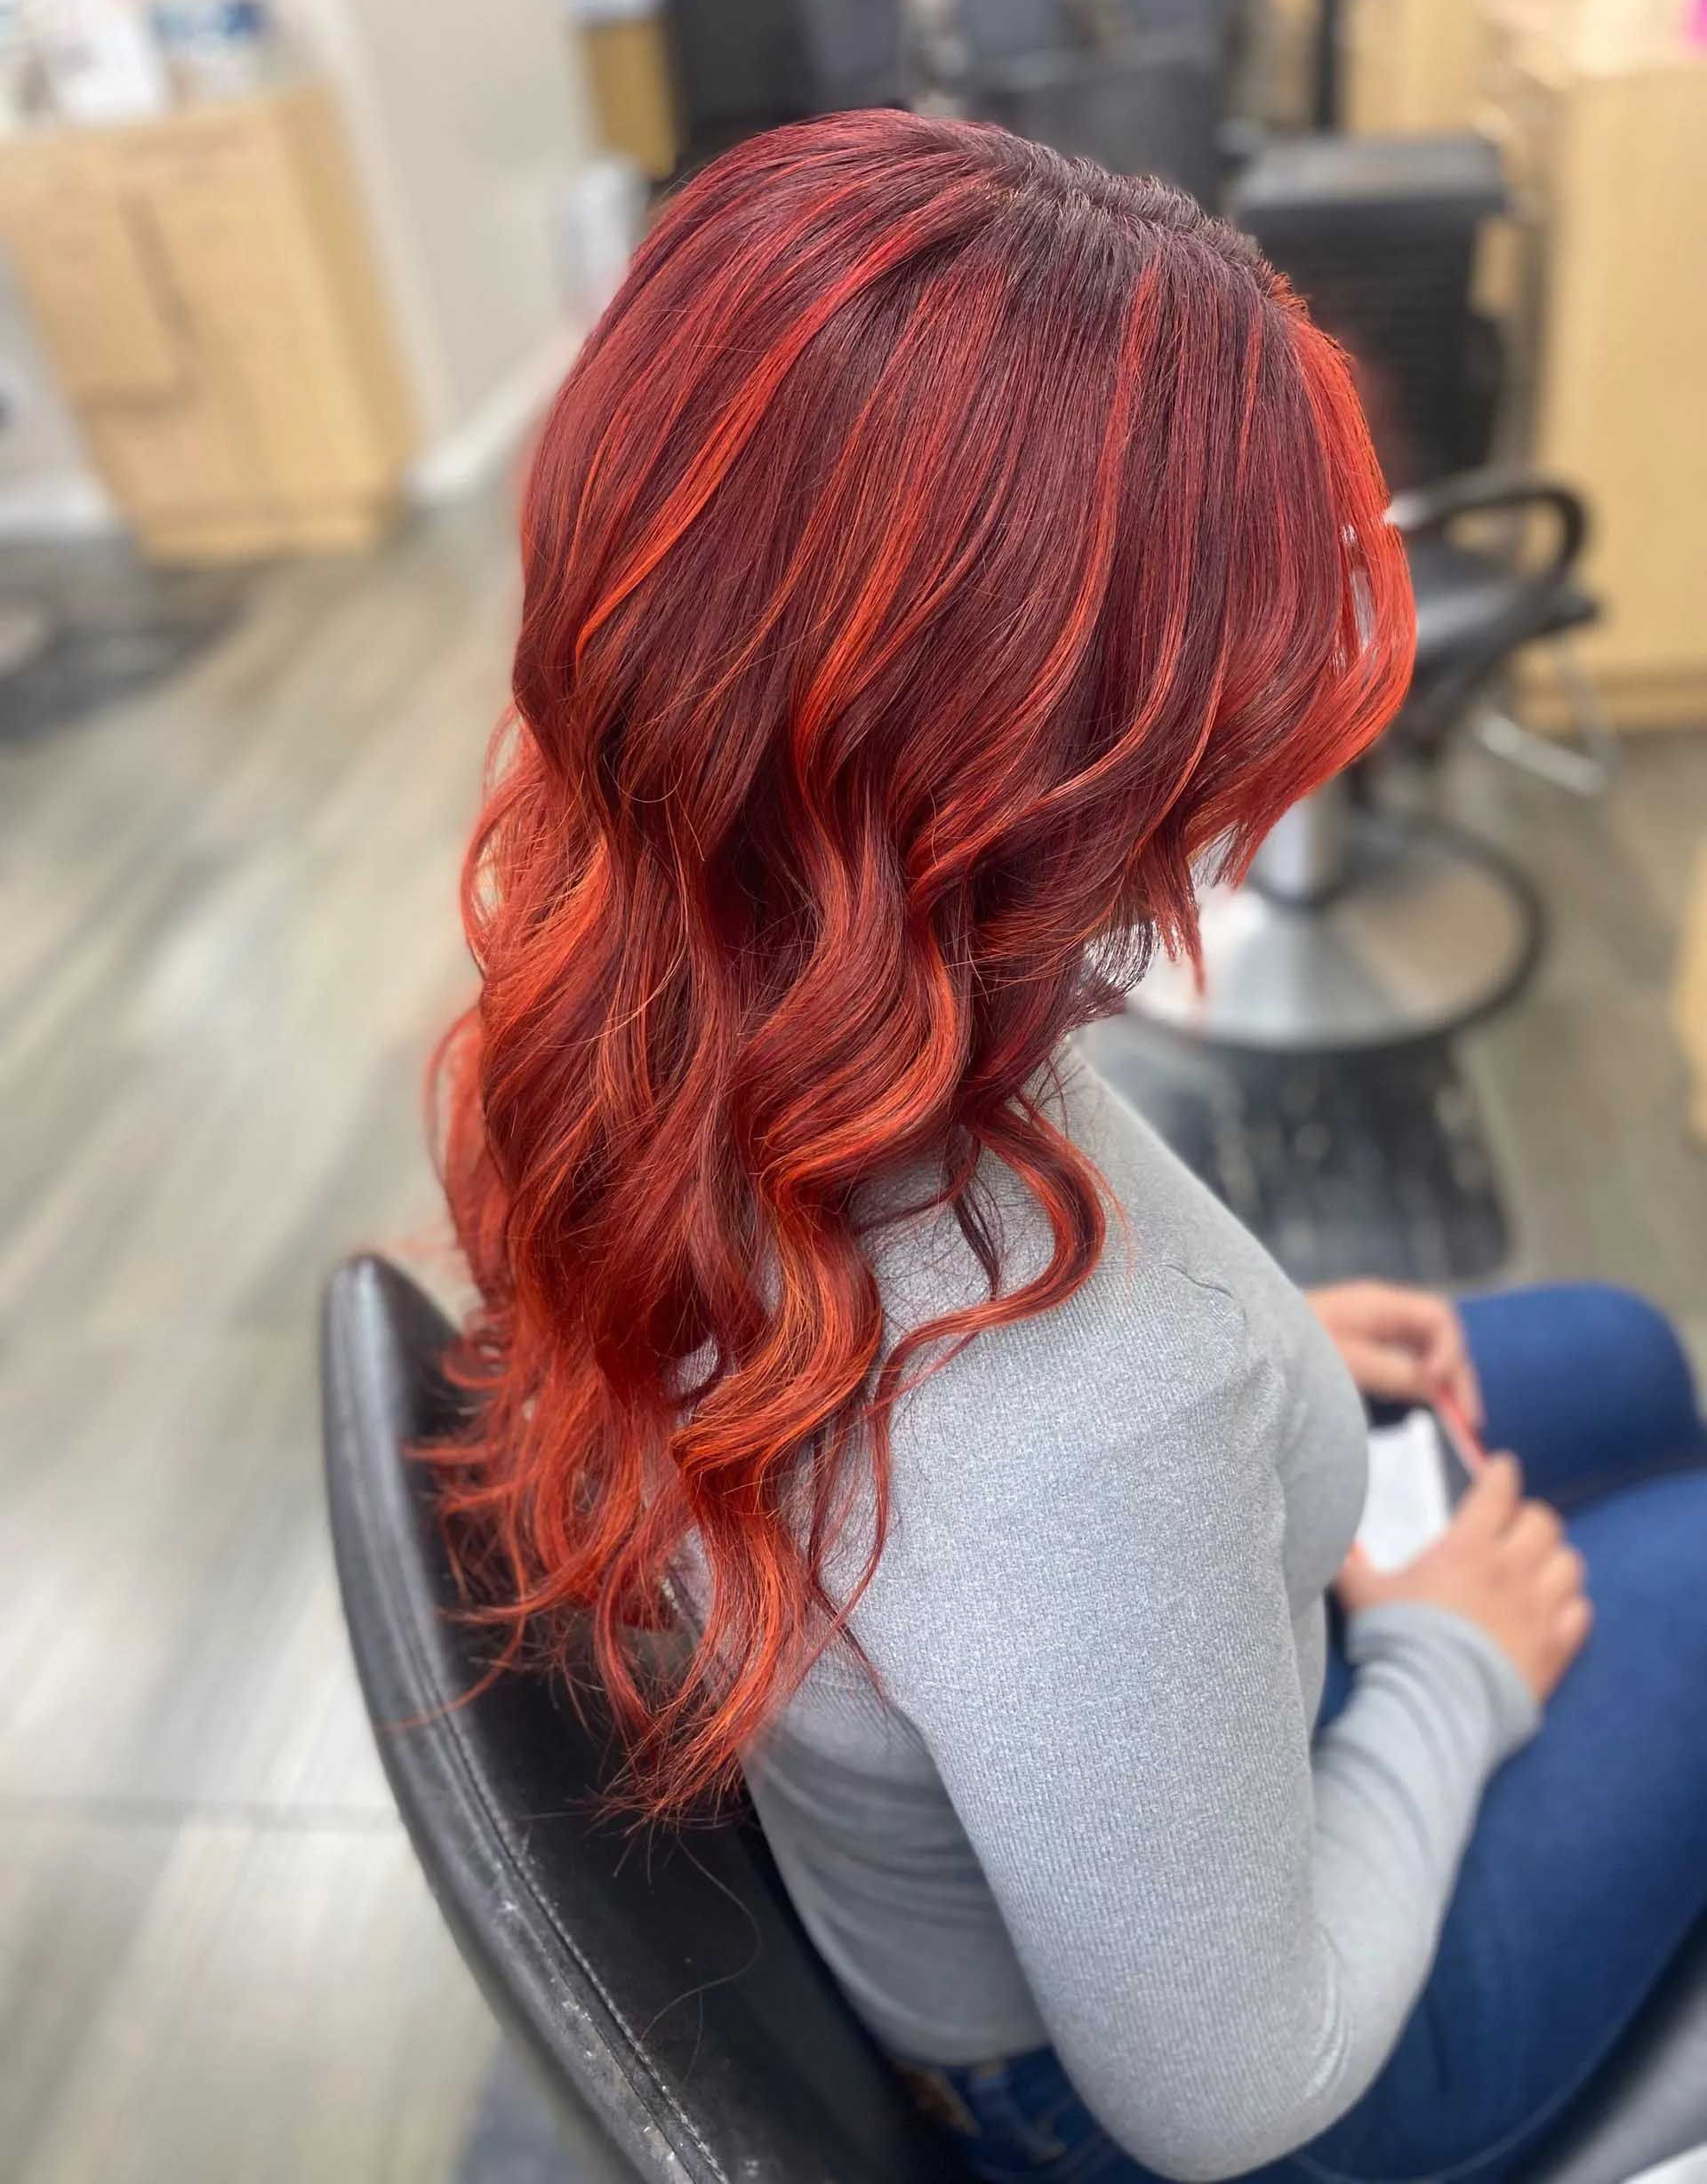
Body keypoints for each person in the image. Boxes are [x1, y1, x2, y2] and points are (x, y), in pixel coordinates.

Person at [428, 111, 1707, 2184]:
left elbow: (1050, 1322)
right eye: (1217, 737)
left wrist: (1269, 1353)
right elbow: (1229, 2090)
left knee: (1626, 1363)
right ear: (1000, 801)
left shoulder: (636, 963)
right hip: (1200, 2073)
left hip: (994, 1722)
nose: (1253, 804)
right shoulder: (1076, 1416)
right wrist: (1448, 1669)